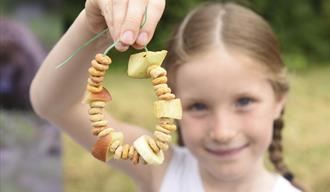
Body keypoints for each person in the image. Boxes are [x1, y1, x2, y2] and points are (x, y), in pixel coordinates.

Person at [30, 1, 305, 191]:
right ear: (172, 104)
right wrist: (92, 28)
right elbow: (53, 105)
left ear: (279, 100)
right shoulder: (160, 169)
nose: (222, 131)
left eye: (244, 102)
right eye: (198, 106)